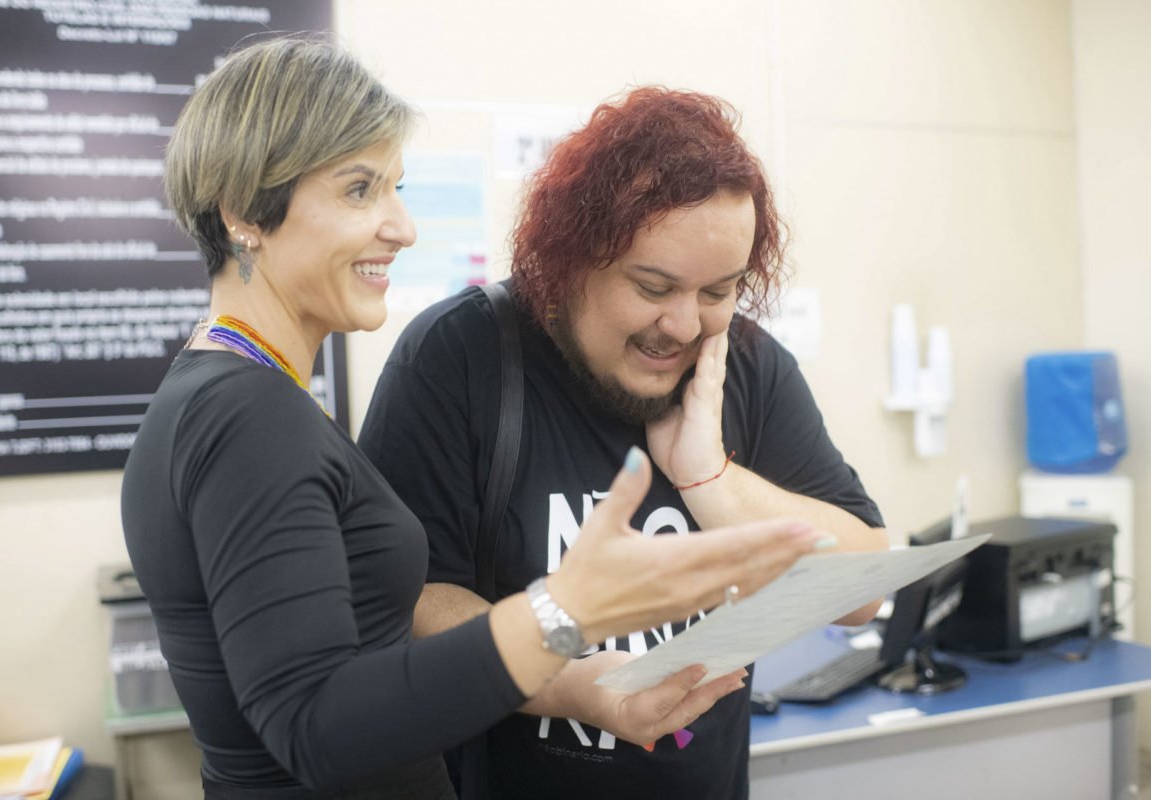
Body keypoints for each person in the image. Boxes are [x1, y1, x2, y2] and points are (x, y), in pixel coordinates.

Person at [120, 37, 837, 800]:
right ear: (243, 215)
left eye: (395, 188)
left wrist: (579, 678)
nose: (401, 226)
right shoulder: (246, 416)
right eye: (359, 190)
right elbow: (315, 726)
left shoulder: (242, 396)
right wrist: (565, 612)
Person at [358, 87, 890, 799]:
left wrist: (712, 478)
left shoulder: (746, 367)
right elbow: (406, 599)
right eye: (652, 285)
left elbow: (860, 593)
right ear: (570, 258)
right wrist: (569, 683)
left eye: (717, 291)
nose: (681, 325)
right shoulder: (459, 358)